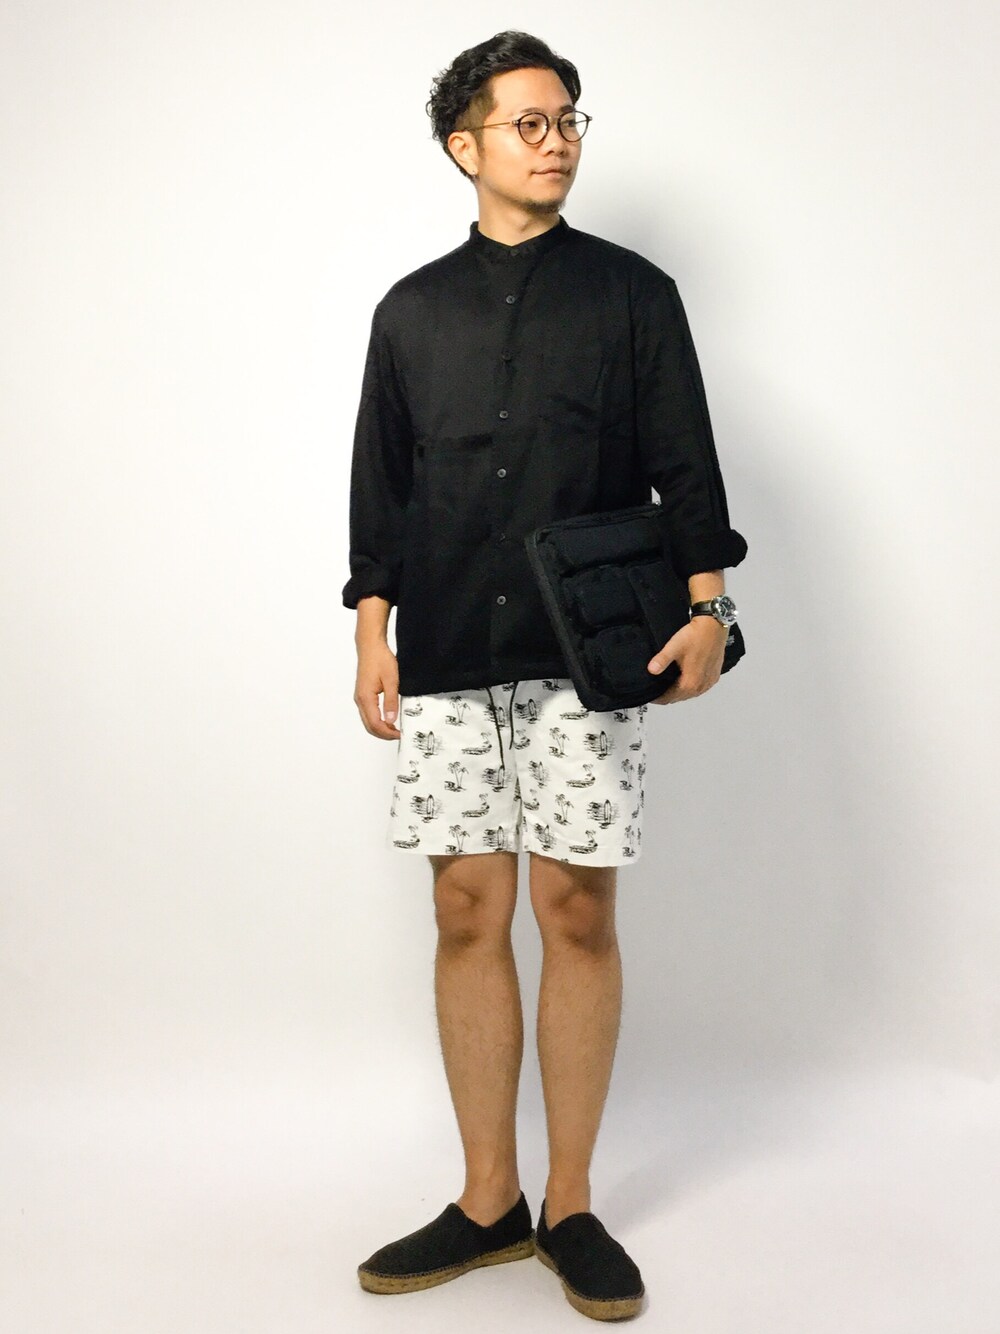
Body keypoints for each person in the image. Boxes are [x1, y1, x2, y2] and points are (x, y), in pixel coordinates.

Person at [342, 30, 746, 1322]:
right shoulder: (409, 313)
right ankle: (487, 1202)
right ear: (463, 146)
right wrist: (372, 630)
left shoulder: (634, 296)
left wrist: (707, 606)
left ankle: (569, 1205)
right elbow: (383, 488)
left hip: (590, 657)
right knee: (467, 911)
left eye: (568, 117)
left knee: (575, 913)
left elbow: (686, 461)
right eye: (528, 122)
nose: (556, 139)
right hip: (450, 649)